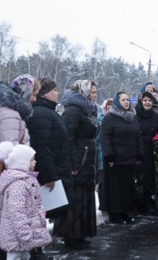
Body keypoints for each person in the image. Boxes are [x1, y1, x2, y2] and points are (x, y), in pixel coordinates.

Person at [53, 80, 99, 249]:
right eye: (92, 92)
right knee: (75, 200)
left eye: (95, 92)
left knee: (84, 198)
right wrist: (72, 163)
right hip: (77, 163)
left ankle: (80, 234)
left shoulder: (88, 110)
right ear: (83, 92)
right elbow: (67, 139)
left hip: (86, 161)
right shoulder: (73, 110)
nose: (95, 95)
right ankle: (71, 236)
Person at [26, 78, 74, 215]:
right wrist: (49, 176)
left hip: (58, 169)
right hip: (51, 174)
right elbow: (40, 147)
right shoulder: (41, 113)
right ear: (44, 93)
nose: (57, 93)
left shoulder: (48, 112)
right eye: (54, 90)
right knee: (45, 212)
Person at [0, 142, 52, 260]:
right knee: (15, 257)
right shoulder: (18, 185)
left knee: (25, 256)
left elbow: (34, 203)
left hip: (24, 235)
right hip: (17, 236)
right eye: (32, 160)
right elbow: (16, 213)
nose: (35, 162)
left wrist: (40, 212)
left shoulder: (28, 181)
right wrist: (25, 234)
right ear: (22, 163)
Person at [100, 91, 142, 224]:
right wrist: (109, 156)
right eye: (123, 100)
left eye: (128, 100)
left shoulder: (132, 117)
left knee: (126, 187)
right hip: (115, 160)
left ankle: (125, 211)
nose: (126, 102)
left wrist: (139, 153)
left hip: (130, 158)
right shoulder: (109, 118)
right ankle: (115, 213)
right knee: (115, 188)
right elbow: (104, 138)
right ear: (117, 102)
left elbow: (137, 136)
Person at [135, 92, 158, 214]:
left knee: (149, 176)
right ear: (141, 101)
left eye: (149, 101)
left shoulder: (155, 116)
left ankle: (147, 202)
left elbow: (157, 130)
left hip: (151, 149)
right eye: (145, 100)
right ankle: (138, 204)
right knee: (139, 176)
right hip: (139, 149)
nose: (147, 103)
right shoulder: (136, 114)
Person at [1, 75, 40, 144]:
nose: (35, 99)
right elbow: (9, 148)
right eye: (33, 95)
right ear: (25, 92)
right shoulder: (11, 114)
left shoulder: (12, 111)